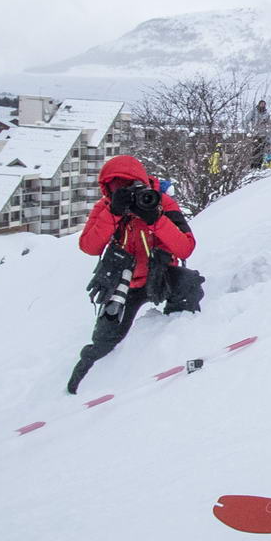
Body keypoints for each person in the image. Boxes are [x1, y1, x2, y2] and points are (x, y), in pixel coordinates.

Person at [67, 154, 199, 393]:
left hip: (160, 274)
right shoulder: (105, 208)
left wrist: (155, 219)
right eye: (118, 188)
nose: (129, 193)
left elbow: (185, 247)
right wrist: (113, 214)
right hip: (123, 281)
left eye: (131, 186)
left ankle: (177, 346)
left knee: (188, 286)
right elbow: (89, 246)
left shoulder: (161, 203)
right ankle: (77, 389)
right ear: (107, 189)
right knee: (105, 340)